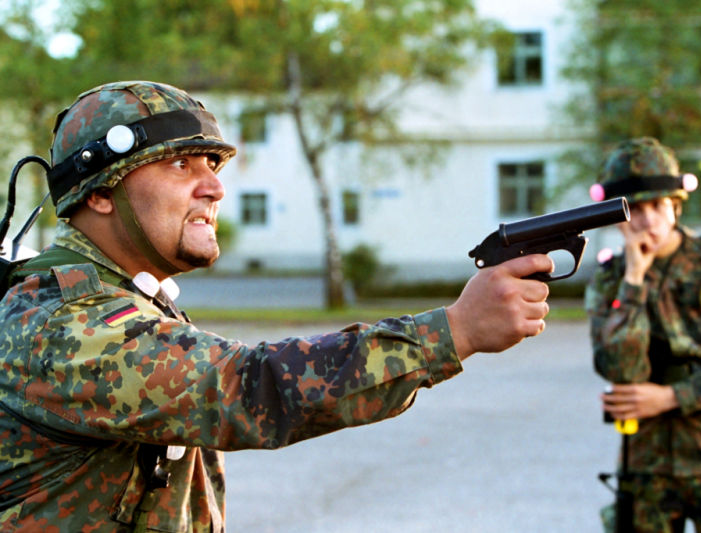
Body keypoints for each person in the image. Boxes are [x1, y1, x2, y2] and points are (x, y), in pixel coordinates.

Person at [0, 81, 553, 531]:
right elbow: (247, 386)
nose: (214, 188)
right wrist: (454, 330)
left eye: (212, 165)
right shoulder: (60, 320)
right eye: (180, 165)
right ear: (99, 192)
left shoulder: (122, 296)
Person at [585, 137, 701, 532]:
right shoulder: (611, 280)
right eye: (634, 209)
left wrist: (671, 397)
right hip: (646, 470)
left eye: (657, 205)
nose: (647, 220)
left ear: (675, 205)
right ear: (616, 216)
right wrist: (634, 280)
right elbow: (619, 368)